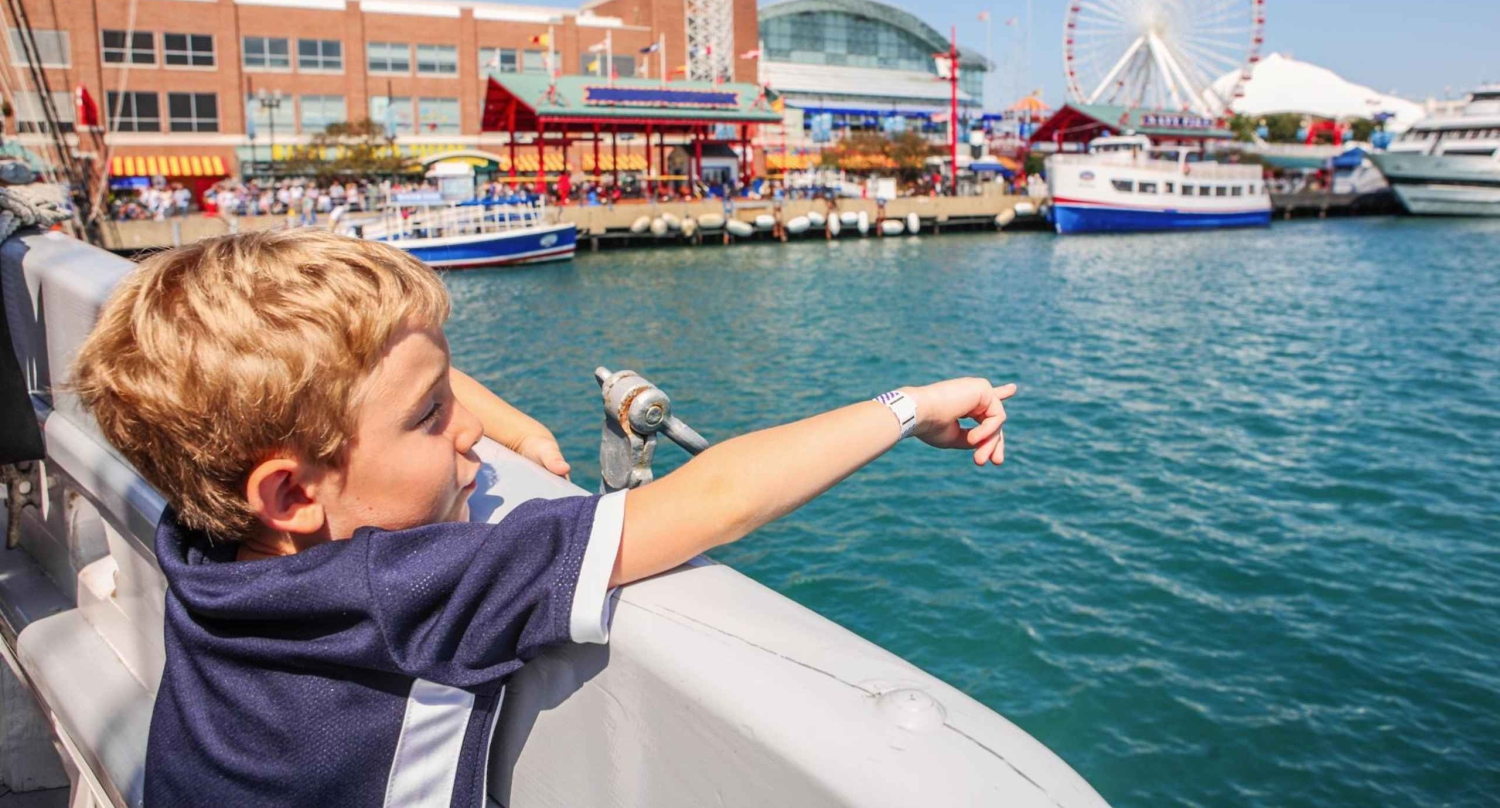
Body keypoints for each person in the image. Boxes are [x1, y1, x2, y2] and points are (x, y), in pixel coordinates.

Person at [70, 229, 1014, 808]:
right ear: (290, 494)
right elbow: (715, 498)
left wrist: (507, 426)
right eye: (434, 414)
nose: (470, 425)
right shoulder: (401, 593)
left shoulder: (203, 543)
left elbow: (344, 394)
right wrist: (910, 404)